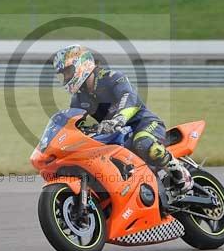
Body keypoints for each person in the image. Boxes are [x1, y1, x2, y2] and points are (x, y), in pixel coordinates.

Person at [52, 44, 192, 197]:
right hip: (116, 134)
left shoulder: (112, 77)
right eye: (63, 74)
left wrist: (119, 118)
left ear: (82, 65)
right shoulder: (79, 97)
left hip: (144, 124)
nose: (66, 78)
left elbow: (129, 98)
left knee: (143, 142)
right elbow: (75, 122)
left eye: (68, 72)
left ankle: (181, 175)